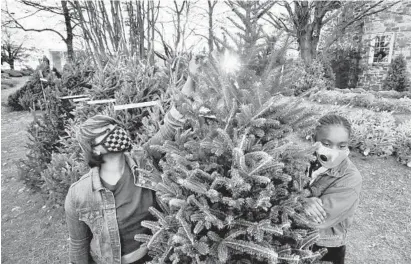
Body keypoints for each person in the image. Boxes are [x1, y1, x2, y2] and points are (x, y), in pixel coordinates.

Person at [64, 55, 203, 264]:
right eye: (107, 132)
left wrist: (192, 78)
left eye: (115, 127)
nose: (117, 132)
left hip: (154, 257)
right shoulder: (79, 195)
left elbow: (171, 124)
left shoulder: (143, 159)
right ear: (96, 149)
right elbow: (78, 246)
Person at [302, 114, 362, 264]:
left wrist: (297, 202)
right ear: (313, 139)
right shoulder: (302, 160)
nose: (335, 151)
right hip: (295, 242)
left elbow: (318, 218)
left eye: (342, 146)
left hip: (325, 247)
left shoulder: (351, 178)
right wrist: (302, 200)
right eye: (327, 144)